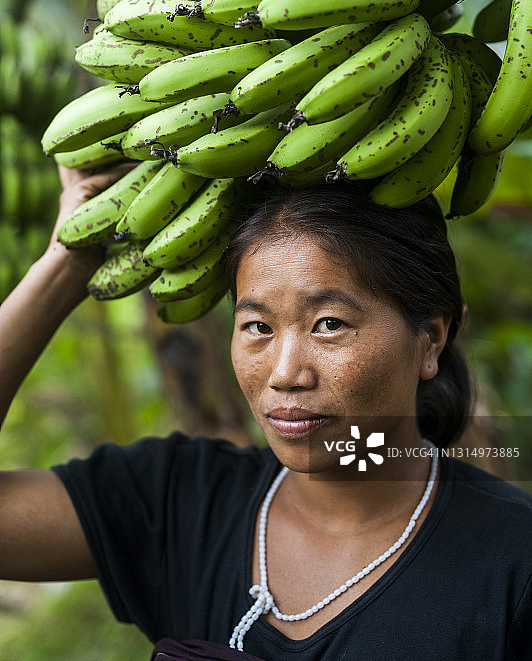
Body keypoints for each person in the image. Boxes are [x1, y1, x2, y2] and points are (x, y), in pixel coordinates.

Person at [1, 165, 531, 661]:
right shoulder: (179, 500)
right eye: (258, 327)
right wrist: (66, 262)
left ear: (431, 340)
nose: (284, 373)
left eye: (329, 323)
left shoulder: (515, 563)